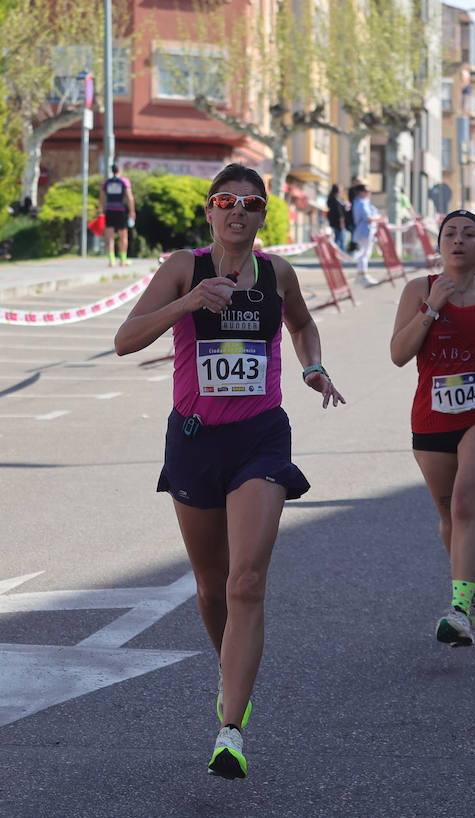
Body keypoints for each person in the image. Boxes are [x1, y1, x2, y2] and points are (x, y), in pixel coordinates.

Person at [113, 163, 345, 780]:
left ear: (264, 214)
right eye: (225, 200)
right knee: (212, 587)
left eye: (250, 203)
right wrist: (189, 302)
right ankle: (229, 671)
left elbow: (302, 324)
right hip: (193, 440)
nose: (237, 210)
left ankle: (231, 728)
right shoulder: (182, 268)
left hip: (260, 439)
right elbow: (124, 340)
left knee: (246, 581)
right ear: (210, 211)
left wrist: (311, 366)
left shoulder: (278, 273)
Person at [390, 210, 475, 647]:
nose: (459, 240)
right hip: (431, 419)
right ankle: (471, 588)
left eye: (469, 234)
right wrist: (432, 308)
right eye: (450, 233)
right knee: (449, 516)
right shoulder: (420, 289)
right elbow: (398, 353)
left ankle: (459, 610)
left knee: (466, 506)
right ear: (439, 244)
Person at [98, 163, 136, 268]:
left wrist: (100, 210)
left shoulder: (106, 182)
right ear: (119, 170)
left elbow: (101, 197)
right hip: (120, 211)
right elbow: (130, 197)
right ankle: (123, 260)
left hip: (109, 211)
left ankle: (112, 261)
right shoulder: (124, 181)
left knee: (109, 237)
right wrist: (132, 211)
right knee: (123, 237)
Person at [350, 183, 380, 285]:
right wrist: (378, 217)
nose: (369, 193)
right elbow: (368, 218)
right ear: (361, 193)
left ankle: (361, 274)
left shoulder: (361, 202)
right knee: (365, 253)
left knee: (364, 252)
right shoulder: (362, 203)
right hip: (365, 230)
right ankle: (363, 275)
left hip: (364, 230)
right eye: (367, 191)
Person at [325, 183, 347, 248]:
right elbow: (339, 213)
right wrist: (342, 222)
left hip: (334, 222)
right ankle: (339, 255)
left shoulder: (332, 198)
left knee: (338, 239)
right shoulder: (336, 200)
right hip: (338, 223)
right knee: (340, 240)